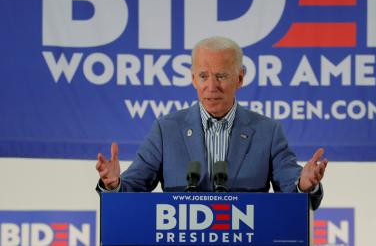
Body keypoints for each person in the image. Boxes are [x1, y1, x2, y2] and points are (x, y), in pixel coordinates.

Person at [96, 36, 328, 208]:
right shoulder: (166, 130)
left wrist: (304, 185)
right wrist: (114, 185)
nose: (211, 86)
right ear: (193, 78)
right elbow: (133, 188)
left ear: (240, 78)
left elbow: (291, 186)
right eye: (204, 76)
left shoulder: (267, 132)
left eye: (221, 76)